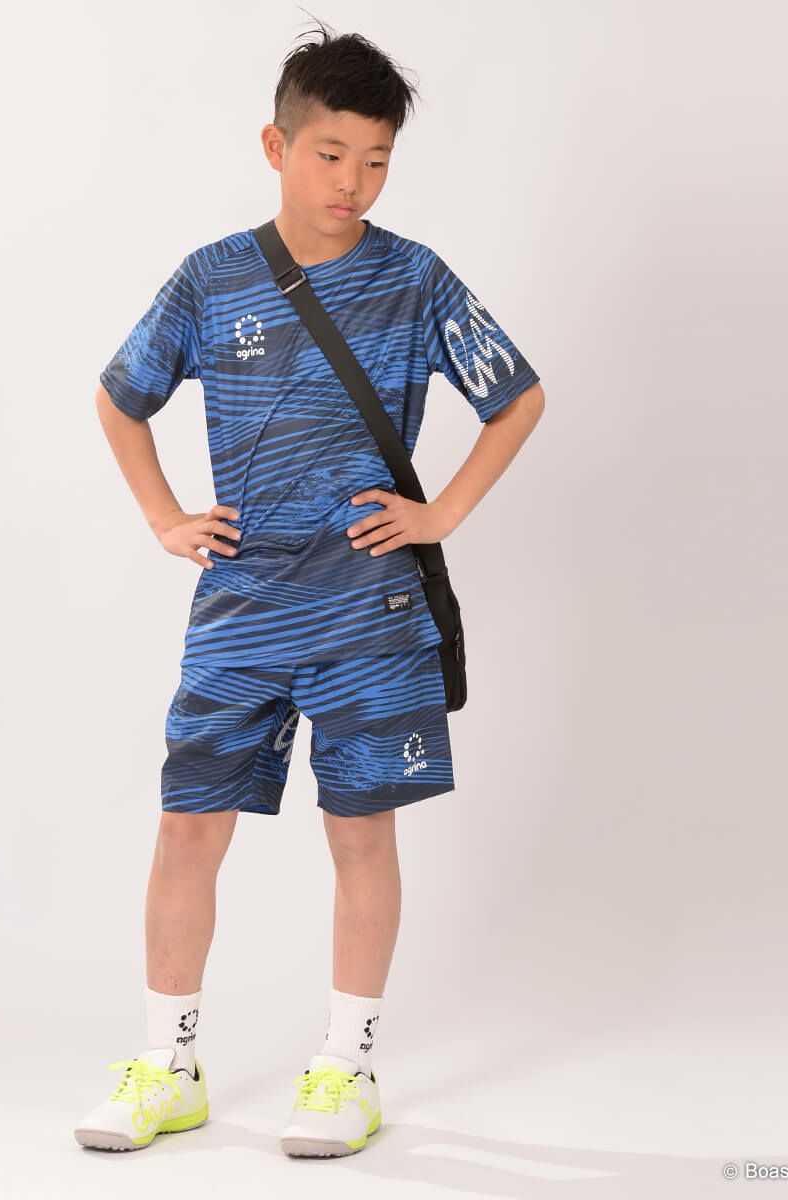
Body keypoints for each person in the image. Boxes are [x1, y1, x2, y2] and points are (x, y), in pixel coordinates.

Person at [74, 19, 544, 1157]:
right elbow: (121, 399)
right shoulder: (211, 277)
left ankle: (348, 1067)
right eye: (331, 154)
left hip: (371, 613)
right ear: (276, 146)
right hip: (239, 607)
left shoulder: (414, 277)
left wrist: (440, 513)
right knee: (187, 828)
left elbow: (517, 396)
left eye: (376, 160)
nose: (352, 182)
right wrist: (164, 517)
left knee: (360, 833)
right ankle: (168, 1063)